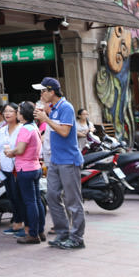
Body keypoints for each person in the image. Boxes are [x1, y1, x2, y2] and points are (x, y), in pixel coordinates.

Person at [33, 77, 85, 250]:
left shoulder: (66, 107)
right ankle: (63, 234)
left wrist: (45, 119)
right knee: (52, 196)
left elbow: (64, 131)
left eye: (43, 91)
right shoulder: (54, 108)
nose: (41, 94)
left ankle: (77, 237)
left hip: (68, 161)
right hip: (55, 160)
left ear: (51, 91)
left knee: (72, 200)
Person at [5, 102, 45, 244]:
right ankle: (40, 230)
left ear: (23, 114)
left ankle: (33, 234)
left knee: (30, 202)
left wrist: (11, 152)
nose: (17, 113)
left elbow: (20, 149)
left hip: (25, 169)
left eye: (19, 111)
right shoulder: (34, 127)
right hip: (35, 167)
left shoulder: (25, 129)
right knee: (37, 201)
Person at [0, 102, 25, 237]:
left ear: (17, 113)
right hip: (5, 168)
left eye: (10, 111)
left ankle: (23, 223)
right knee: (12, 196)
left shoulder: (22, 128)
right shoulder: (2, 130)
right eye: (5, 111)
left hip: (18, 168)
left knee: (20, 196)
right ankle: (17, 222)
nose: (7, 114)